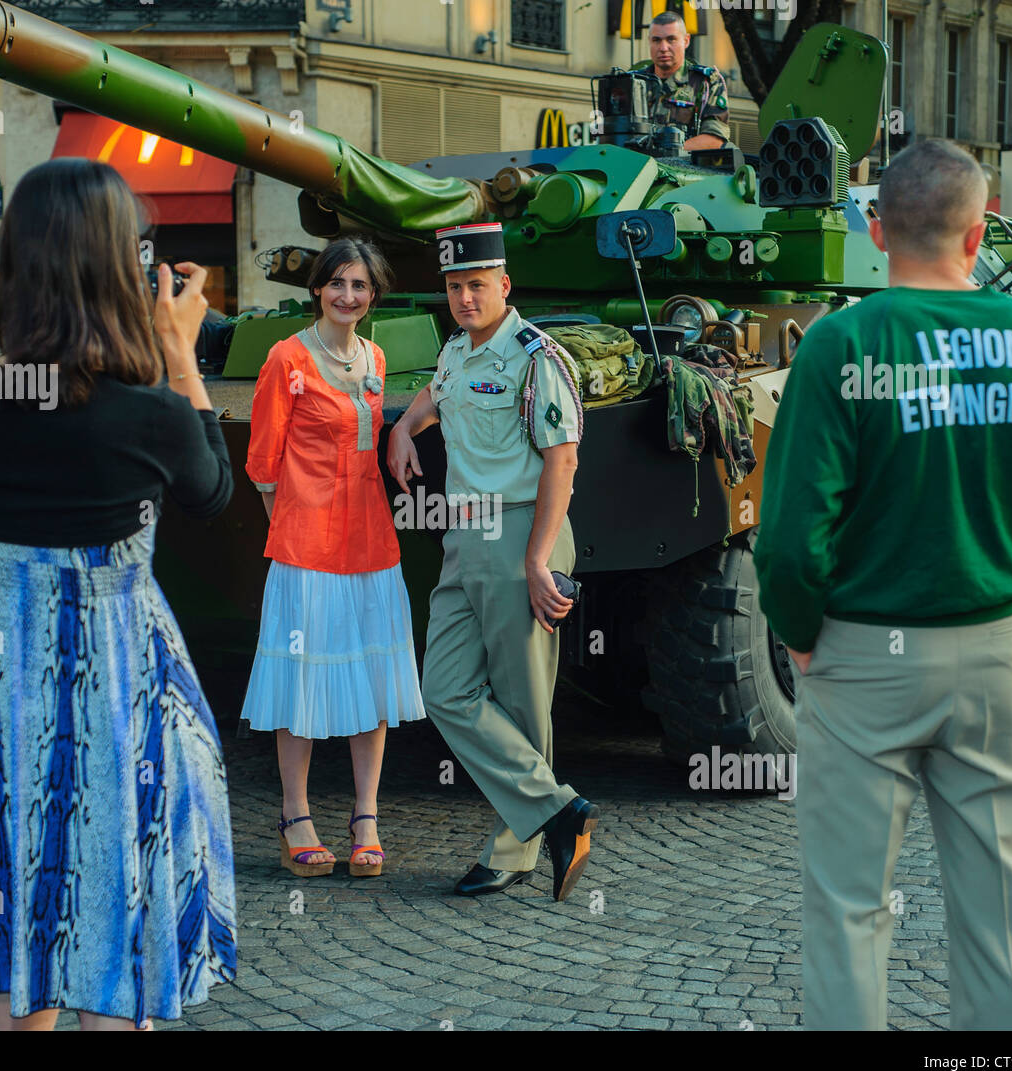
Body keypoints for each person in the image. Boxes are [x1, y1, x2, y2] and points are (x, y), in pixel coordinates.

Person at [753, 139, 1012, 1030]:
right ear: (981, 231)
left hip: (862, 651)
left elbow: (789, 538)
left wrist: (799, 632)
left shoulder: (836, 344)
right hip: (998, 649)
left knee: (850, 904)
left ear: (875, 228)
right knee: (999, 908)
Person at [0, 157, 237, 1030]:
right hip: (119, 702)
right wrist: (177, 350)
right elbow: (213, 496)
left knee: (19, 952)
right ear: (119, 270)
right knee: (116, 942)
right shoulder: (149, 415)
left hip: (3, 702)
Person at [386, 222, 599, 901]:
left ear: (504, 286)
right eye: (454, 286)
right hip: (463, 539)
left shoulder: (537, 358)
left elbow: (562, 461)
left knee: (522, 700)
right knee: (445, 690)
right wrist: (401, 426)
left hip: (518, 536)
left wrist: (538, 560)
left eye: (477, 285)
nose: (465, 298)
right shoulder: (457, 352)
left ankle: (516, 848)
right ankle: (560, 811)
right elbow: (439, 394)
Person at [242, 238, 425, 878]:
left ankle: (366, 815)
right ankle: (296, 816)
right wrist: (294, 541)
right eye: (338, 284)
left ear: (374, 296)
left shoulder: (374, 356)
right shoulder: (285, 358)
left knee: (372, 677)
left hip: (372, 538)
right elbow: (264, 465)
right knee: (300, 681)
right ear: (318, 288)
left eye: (361, 287)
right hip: (307, 547)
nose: (349, 296)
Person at [634, 9, 729, 153]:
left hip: (686, 171)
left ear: (686, 41)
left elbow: (714, 138)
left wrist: (662, 155)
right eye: (656, 40)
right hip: (635, 168)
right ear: (649, 42)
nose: (663, 48)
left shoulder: (706, 82)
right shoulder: (634, 82)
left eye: (671, 39)